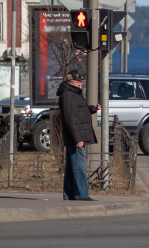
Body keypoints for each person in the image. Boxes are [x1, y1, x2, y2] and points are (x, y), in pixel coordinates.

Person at [57, 71, 100, 201]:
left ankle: (70, 194)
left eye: (80, 82)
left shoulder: (74, 94)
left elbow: (78, 112)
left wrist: (91, 109)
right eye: (77, 82)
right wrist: (77, 138)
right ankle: (82, 194)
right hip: (77, 137)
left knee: (72, 167)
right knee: (80, 166)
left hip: (77, 136)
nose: (80, 84)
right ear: (70, 83)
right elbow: (69, 118)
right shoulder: (69, 95)